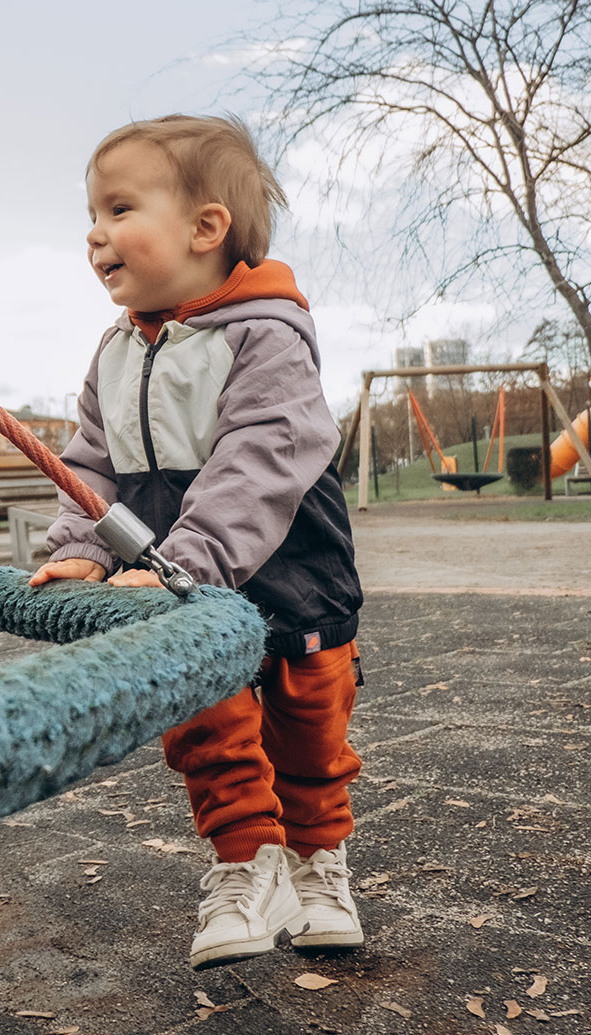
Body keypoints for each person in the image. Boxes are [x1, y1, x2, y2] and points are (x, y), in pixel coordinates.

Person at [29, 115, 365, 970]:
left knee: (309, 736)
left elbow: (259, 462)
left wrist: (188, 560)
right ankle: (246, 864)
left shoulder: (266, 336)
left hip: (293, 577)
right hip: (176, 582)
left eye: (119, 209)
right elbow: (91, 466)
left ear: (206, 228)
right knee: (206, 730)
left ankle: (317, 862)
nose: (96, 234)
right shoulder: (114, 352)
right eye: (91, 217)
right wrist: (83, 547)